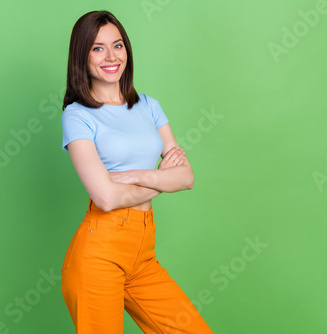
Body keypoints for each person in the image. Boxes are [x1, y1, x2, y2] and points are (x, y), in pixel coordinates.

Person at [60, 10, 214, 334]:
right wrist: (161, 177)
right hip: (99, 254)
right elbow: (105, 197)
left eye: (118, 45)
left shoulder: (147, 105)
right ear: (82, 56)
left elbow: (187, 177)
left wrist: (140, 176)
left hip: (142, 255)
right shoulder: (77, 116)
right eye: (98, 48)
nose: (111, 56)